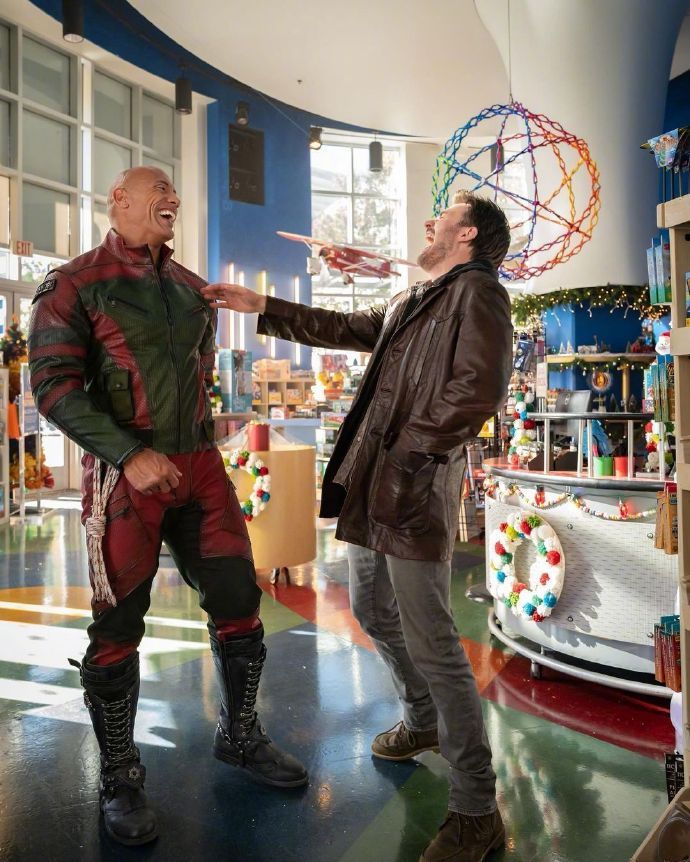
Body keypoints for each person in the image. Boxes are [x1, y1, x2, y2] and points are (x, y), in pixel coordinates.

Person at [202, 190, 513, 862]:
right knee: (371, 608)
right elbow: (343, 327)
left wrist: (406, 458)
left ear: (467, 234)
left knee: (434, 642)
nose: (429, 220)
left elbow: (478, 390)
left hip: (414, 486)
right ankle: (422, 719)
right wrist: (262, 306)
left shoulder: (478, 293)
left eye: (443, 216)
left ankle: (476, 808)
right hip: (376, 482)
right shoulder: (416, 298)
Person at [27, 166, 307, 847]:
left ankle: (239, 734)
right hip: (126, 476)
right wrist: (129, 453)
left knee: (239, 600)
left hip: (200, 469)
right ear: (118, 200)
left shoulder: (191, 290)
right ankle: (120, 773)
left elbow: (201, 378)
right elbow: (54, 387)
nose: (172, 199)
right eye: (158, 190)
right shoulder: (73, 284)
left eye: (174, 192)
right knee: (118, 620)